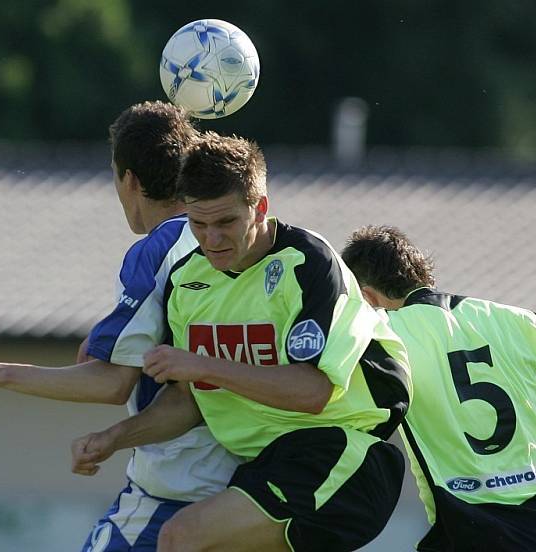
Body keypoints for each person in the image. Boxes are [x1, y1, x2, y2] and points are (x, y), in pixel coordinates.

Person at [0, 101, 240, 551]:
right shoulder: (233, 239)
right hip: (248, 488)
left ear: (128, 179)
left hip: (178, 485)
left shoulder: (157, 250)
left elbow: (112, 383)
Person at [71, 133, 412, 552]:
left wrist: (204, 366)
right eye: (199, 224)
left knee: (181, 537)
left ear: (260, 208)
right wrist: (114, 438)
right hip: (265, 467)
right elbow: (187, 400)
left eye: (226, 222)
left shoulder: (308, 263)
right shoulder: (188, 283)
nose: (212, 239)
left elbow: (314, 391)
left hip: (340, 454)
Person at [340, 225, 536, 552]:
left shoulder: (381, 334)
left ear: (366, 296)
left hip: (467, 530)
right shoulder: (522, 321)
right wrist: (510, 457)